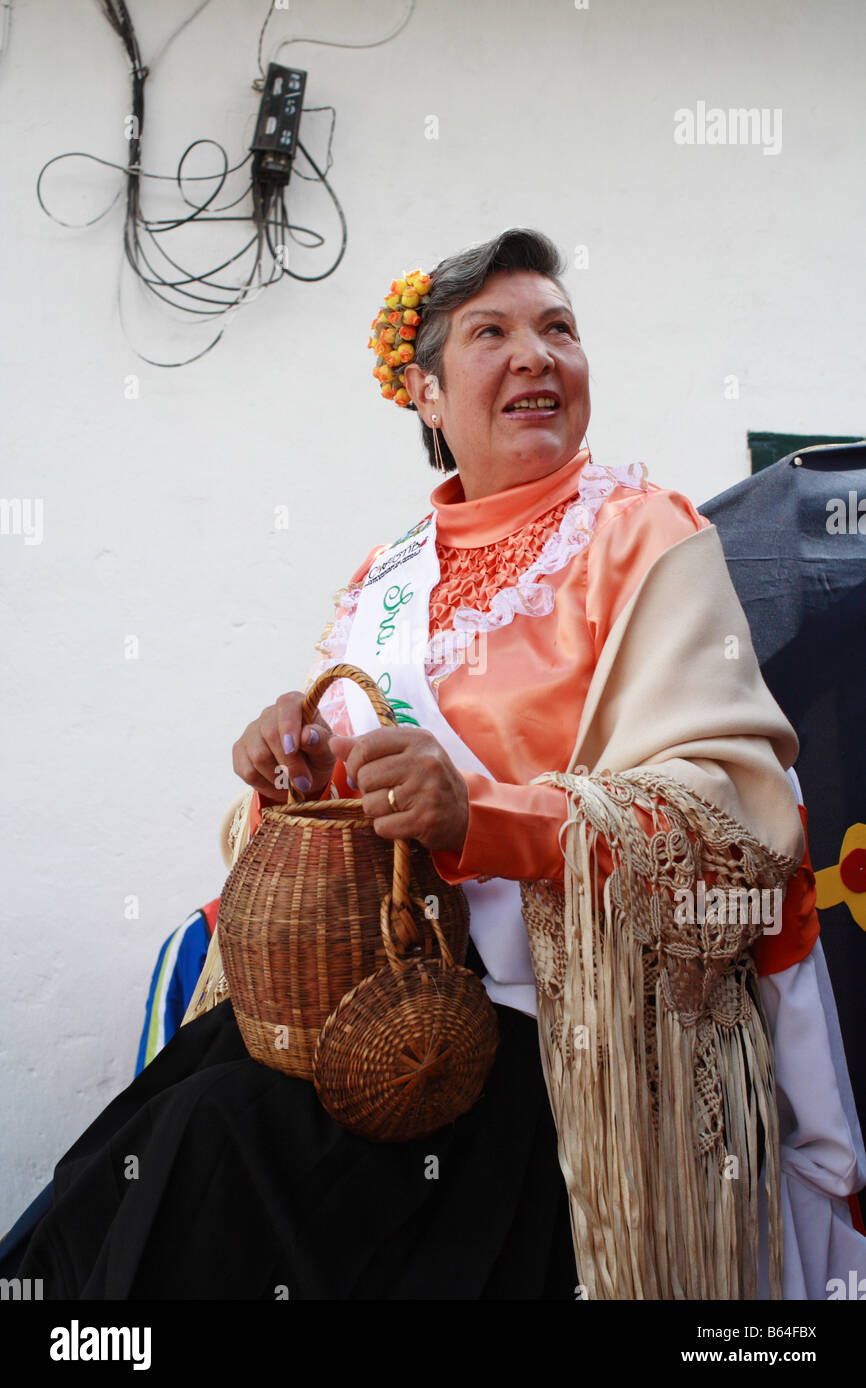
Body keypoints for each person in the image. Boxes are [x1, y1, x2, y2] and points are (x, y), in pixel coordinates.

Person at [16, 228, 844, 1300]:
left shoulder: (646, 537)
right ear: (426, 396)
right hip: (384, 1005)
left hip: (555, 1036)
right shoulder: (388, 576)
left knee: (213, 1147)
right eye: (491, 333)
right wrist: (302, 775)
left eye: (558, 329)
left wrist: (479, 820)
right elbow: (347, 809)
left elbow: (731, 823)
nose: (536, 355)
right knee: (132, 1150)